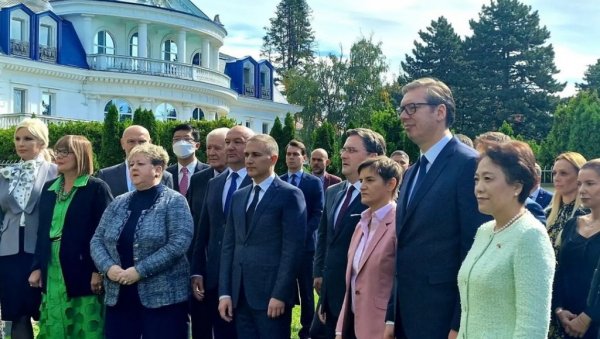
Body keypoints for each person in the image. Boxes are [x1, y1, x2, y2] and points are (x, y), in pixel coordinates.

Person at [385, 78, 488, 339]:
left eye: (412, 108)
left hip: (443, 318)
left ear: (440, 111)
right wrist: (391, 315)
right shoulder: (409, 174)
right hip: (407, 317)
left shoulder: (469, 166)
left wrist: (460, 321)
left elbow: (474, 249)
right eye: (401, 109)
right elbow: (404, 247)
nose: (403, 116)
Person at [90, 143, 193, 339]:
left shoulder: (174, 201)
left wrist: (139, 271)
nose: (133, 168)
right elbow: (97, 240)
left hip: (163, 299)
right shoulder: (119, 202)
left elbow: (179, 243)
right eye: (130, 164)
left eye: (140, 163)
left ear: (158, 169)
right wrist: (108, 268)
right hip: (120, 296)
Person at [457, 140, 555, 338]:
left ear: (517, 186)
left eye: (488, 178)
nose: (478, 188)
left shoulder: (530, 235)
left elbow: (533, 327)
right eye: (476, 179)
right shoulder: (485, 231)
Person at [218, 134, 306, 338]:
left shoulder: (290, 195)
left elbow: (292, 250)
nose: (248, 160)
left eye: (256, 155)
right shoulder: (239, 196)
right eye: (247, 154)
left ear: (273, 159)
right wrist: (225, 292)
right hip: (239, 296)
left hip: (271, 298)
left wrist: (280, 294)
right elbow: (229, 247)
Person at [29, 135, 113, 338]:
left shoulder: (96, 188)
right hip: (52, 265)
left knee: (83, 324)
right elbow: (42, 232)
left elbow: (105, 232)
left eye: (66, 151)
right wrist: (37, 267)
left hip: (83, 266)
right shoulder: (49, 189)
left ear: (81, 155)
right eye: (58, 151)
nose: (59, 156)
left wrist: (98, 270)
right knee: (54, 322)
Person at [313, 128, 386, 338]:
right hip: (329, 290)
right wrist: (318, 271)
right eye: (344, 149)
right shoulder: (333, 192)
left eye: (352, 150)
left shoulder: (380, 199)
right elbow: (324, 235)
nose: (343, 155)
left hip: (360, 297)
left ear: (373, 157)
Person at [190, 125, 255, 339]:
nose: (231, 147)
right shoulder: (214, 183)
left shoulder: (259, 183)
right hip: (215, 276)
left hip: (248, 280)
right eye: (228, 142)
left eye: (238, 142)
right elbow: (203, 231)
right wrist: (197, 270)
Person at [0, 118, 57, 339]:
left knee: (46, 311)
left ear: (41, 142)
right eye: (17, 138)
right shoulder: (5, 173)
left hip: (42, 250)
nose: (20, 143)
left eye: (28, 138)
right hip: (9, 252)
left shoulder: (56, 172)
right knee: (16, 313)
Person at [335, 156, 400, 339]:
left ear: (391, 184)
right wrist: (341, 327)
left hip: (382, 327)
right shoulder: (361, 223)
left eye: (370, 180)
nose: (362, 186)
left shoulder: (399, 224)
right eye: (361, 180)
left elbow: (402, 279)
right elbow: (353, 280)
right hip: (352, 323)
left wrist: (392, 322)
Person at [185, 127, 229, 339]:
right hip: (204, 270)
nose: (211, 152)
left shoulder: (247, 179)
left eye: (217, 148)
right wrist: (196, 270)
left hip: (232, 274)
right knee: (201, 327)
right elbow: (196, 228)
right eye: (209, 147)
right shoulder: (199, 180)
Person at [280, 140, 324, 339]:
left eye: (295, 154)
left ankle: (306, 330)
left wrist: (301, 235)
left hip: (306, 248)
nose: (291, 157)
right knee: (284, 288)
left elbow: (318, 213)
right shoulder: (278, 181)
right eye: (288, 154)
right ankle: (283, 326)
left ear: (303, 158)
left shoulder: (313, 182)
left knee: (307, 292)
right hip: (282, 247)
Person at [553, 159, 600, 339]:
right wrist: (558, 309)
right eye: (580, 184)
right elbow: (560, 270)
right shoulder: (573, 224)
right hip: (567, 322)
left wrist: (589, 316)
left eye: (590, 184)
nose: (582, 190)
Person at [96, 125, 173, 197]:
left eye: (142, 142)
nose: (136, 146)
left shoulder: (165, 177)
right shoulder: (106, 176)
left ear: (150, 143)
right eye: (131, 141)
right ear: (122, 143)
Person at [547, 152, 589, 250]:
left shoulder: (586, 214)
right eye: (554, 173)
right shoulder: (548, 213)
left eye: (563, 173)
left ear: (580, 177)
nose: (556, 178)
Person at [166, 124, 209, 196]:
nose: (181, 143)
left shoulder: (209, 172)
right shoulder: (166, 174)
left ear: (197, 145)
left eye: (187, 139)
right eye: (176, 139)